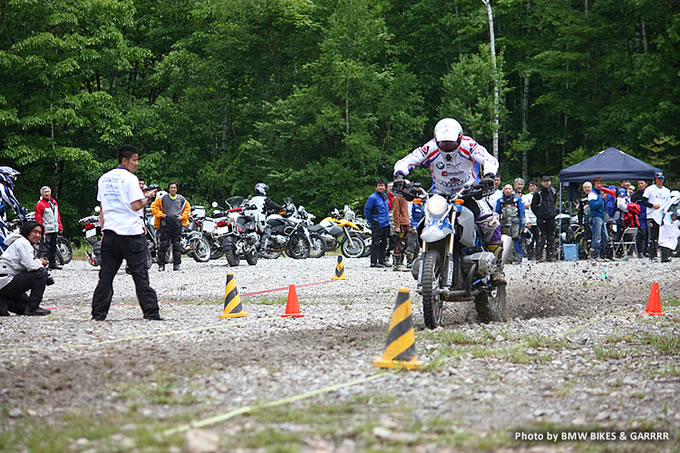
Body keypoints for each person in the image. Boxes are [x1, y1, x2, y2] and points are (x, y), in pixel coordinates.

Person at [393, 117, 505, 284]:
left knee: (491, 222)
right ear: (437, 139)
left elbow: (489, 159)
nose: (447, 147)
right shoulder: (430, 147)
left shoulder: (469, 145)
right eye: (443, 144)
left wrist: (488, 176)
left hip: (469, 192)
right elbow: (407, 160)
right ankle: (427, 260)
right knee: (425, 222)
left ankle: (497, 269)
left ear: (459, 138)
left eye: (451, 144)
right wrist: (400, 175)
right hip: (440, 195)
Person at [91, 145, 161, 321]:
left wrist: (103, 228)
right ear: (125, 160)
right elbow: (136, 205)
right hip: (131, 232)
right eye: (134, 160)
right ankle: (151, 311)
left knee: (106, 276)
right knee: (140, 275)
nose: (137, 164)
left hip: (111, 232)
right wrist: (148, 197)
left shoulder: (104, 179)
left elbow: (102, 207)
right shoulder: (130, 179)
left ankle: (98, 313)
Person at [0, 221, 52, 316]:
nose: (37, 235)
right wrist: (41, 262)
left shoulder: (21, 242)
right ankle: (33, 308)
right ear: (27, 231)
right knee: (41, 273)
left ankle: (4, 303)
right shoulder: (23, 243)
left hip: (5, 282)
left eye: (40, 233)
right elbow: (31, 266)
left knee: (24, 305)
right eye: (34, 232)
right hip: (6, 281)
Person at [151, 182, 191, 271]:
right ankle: (161, 265)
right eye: (171, 187)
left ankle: (176, 265)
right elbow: (154, 206)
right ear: (169, 189)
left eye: (174, 187)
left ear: (177, 189)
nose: (173, 189)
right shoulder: (163, 198)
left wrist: (183, 216)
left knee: (177, 245)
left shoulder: (181, 199)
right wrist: (161, 214)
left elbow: (187, 208)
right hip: (165, 223)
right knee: (164, 244)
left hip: (177, 223)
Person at [641, 171, 672, 262]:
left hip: (662, 216)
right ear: (655, 180)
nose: (660, 181)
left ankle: (665, 255)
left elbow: (669, 203)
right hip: (652, 215)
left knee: (663, 236)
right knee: (653, 236)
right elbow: (643, 201)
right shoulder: (650, 189)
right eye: (658, 179)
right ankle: (652, 255)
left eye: (661, 179)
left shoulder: (666, 191)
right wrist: (652, 205)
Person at [34, 186, 64, 270]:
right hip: (46, 230)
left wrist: (60, 226)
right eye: (45, 192)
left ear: (50, 192)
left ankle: (52, 263)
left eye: (48, 192)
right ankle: (41, 264)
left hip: (54, 229)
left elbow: (57, 215)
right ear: (42, 194)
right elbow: (38, 218)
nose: (47, 193)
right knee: (44, 248)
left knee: (53, 247)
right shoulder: (40, 204)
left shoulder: (54, 202)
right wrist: (40, 230)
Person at [496, 184, 526, 263]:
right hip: (504, 224)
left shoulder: (517, 200)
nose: (508, 190)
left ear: (512, 190)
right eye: (506, 189)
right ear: (503, 190)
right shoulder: (500, 201)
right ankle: (507, 258)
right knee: (505, 241)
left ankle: (518, 258)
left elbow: (522, 212)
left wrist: (523, 224)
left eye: (509, 189)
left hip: (515, 223)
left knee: (516, 239)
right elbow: (497, 213)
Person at [250, 183, 284, 251]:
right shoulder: (264, 199)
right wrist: (282, 208)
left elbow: (259, 208)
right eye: (265, 189)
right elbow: (274, 205)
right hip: (259, 218)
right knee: (266, 231)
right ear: (261, 189)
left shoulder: (252, 199)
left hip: (251, 218)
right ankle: (263, 249)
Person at [364, 179, 390, 268]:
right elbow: (367, 210)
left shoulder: (385, 196)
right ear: (376, 187)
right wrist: (372, 221)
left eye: (382, 185)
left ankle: (382, 261)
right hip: (377, 223)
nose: (381, 187)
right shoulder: (372, 198)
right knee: (376, 242)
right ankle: (373, 262)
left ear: (385, 187)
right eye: (379, 185)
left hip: (385, 223)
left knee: (384, 243)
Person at [0, 166, 27, 251]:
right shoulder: (2, 188)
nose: (13, 180)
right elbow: (14, 204)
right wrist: (23, 217)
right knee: (5, 242)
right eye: (13, 177)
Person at [531, 176, 557, 262]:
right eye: (544, 181)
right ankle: (539, 256)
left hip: (551, 217)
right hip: (542, 218)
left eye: (548, 181)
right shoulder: (538, 193)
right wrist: (539, 214)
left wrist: (553, 212)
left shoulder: (553, 191)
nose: (546, 183)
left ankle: (550, 256)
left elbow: (554, 202)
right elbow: (533, 206)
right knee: (542, 236)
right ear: (541, 182)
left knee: (551, 236)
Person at [588, 176, 609, 261]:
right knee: (597, 237)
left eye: (600, 183)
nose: (599, 185)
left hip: (601, 217)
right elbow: (594, 206)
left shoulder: (599, 193)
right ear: (594, 184)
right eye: (598, 183)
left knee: (605, 237)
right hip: (595, 217)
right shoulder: (592, 194)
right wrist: (601, 198)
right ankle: (595, 256)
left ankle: (602, 255)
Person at [391, 186, 410, 272]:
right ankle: (397, 263)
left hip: (406, 222)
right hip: (401, 223)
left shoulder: (405, 198)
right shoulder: (397, 198)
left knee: (404, 244)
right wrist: (397, 225)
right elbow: (396, 212)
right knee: (399, 243)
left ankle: (402, 262)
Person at [631, 180, 649, 257]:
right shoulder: (636, 195)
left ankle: (647, 251)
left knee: (649, 234)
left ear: (646, 184)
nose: (640, 185)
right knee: (642, 233)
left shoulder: (650, 192)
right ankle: (640, 251)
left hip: (649, 215)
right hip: (640, 216)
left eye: (642, 183)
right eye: (639, 184)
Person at [522, 180, 538, 259]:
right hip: (530, 220)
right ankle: (530, 255)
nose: (532, 188)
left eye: (533, 186)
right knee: (529, 239)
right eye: (530, 186)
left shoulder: (539, 195)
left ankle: (538, 254)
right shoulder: (526, 197)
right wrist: (527, 221)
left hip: (538, 220)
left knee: (538, 238)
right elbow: (526, 210)